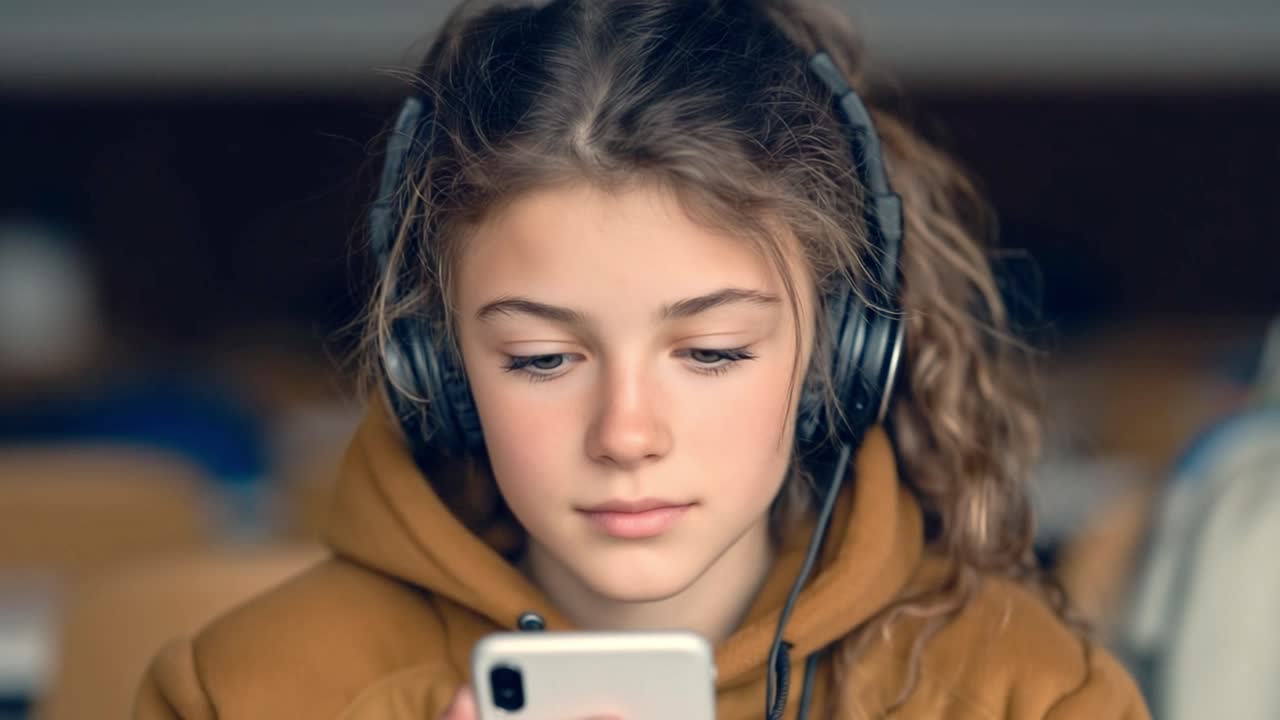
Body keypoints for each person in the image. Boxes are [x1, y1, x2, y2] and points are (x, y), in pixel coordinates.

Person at [134, 0, 1150, 717]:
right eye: (539, 359)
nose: (626, 435)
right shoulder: (241, 692)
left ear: (839, 356)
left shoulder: (1028, 693)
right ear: (438, 373)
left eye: (709, 351)